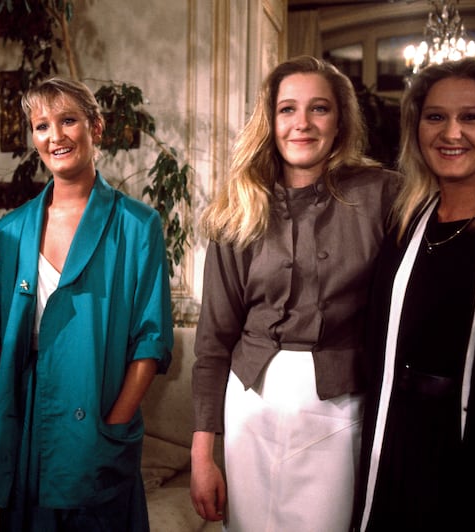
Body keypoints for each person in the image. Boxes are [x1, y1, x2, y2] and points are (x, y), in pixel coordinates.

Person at [190, 55, 399, 531]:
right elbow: (212, 342)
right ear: (271, 119)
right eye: (288, 109)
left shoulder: (383, 194)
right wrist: (203, 454)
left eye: (319, 108)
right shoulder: (238, 205)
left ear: (340, 118)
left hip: (339, 409)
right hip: (249, 408)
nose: (301, 123)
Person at [0, 77, 173, 531]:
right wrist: (1, 416)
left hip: (97, 409)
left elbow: (151, 341)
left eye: (68, 120)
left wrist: (115, 423)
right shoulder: (10, 231)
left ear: (96, 128)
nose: (55, 136)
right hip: (27, 417)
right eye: (41, 125)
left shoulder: (139, 225)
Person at [354, 56, 475, 531]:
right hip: (395, 452)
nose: (451, 132)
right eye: (436, 117)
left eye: (471, 117)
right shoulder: (406, 224)